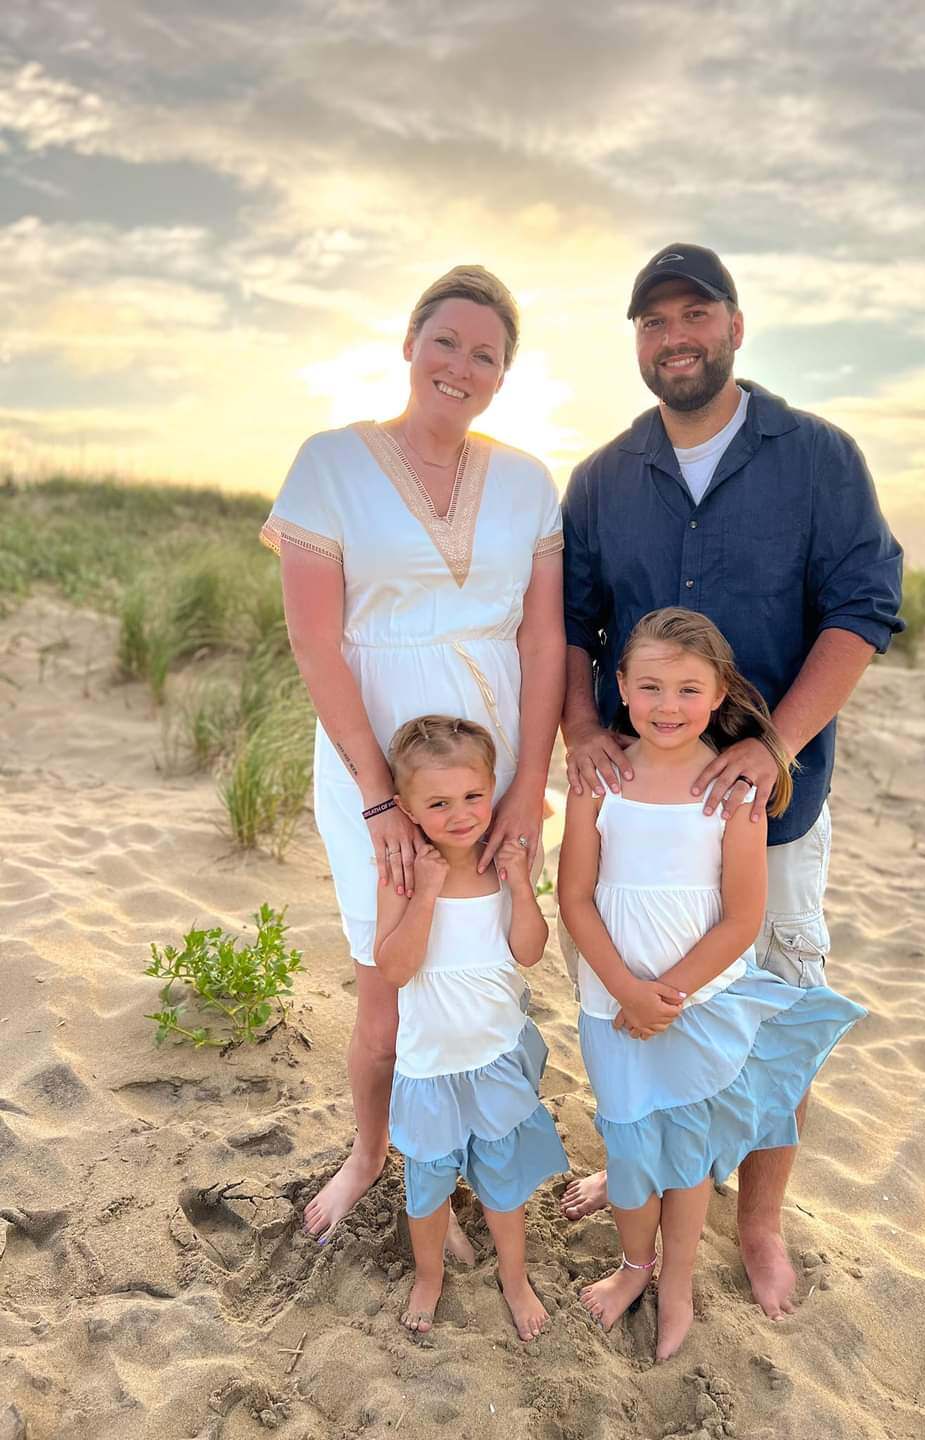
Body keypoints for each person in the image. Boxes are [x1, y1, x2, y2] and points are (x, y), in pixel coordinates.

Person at [559, 243, 903, 1318]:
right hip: (642, 822)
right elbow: (574, 625)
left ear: (736, 326)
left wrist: (777, 743)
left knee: (768, 1009)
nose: (676, 337)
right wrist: (581, 727)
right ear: (638, 344)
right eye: (654, 322)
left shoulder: (818, 457)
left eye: (694, 314)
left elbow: (863, 611)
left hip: (774, 810)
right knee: (643, 1003)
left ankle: (757, 1225)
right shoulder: (606, 477)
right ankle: (640, 1175)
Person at [260, 266, 566, 1252]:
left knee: (483, 976)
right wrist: (379, 801)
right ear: (408, 343)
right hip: (373, 769)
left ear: (504, 374)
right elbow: (315, 641)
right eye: (447, 342)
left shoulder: (527, 482)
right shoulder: (330, 464)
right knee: (387, 985)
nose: (461, 365)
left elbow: (544, 643)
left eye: (486, 353)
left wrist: (529, 787)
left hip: (494, 771)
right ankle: (370, 1152)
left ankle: (479, 1156)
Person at [558, 608, 865, 1360]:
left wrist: (668, 994)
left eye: (688, 689)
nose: (668, 706)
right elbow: (572, 898)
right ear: (620, 687)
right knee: (630, 1145)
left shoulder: (733, 790)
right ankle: (635, 1266)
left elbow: (743, 916)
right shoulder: (602, 780)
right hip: (612, 1003)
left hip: (697, 1004)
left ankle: (681, 1284)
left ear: (720, 691)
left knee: (687, 1155)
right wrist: (627, 991)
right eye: (651, 686)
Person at [377, 715, 567, 1340]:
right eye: (437, 802)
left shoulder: (501, 865)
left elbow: (531, 951)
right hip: (430, 1067)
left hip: (493, 1059)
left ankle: (514, 1278)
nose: (460, 814)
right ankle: (428, 1275)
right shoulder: (404, 873)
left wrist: (518, 881)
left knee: (503, 1181)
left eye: (472, 797)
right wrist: (427, 892)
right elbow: (396, 969)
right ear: (406, 807)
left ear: (492, 790)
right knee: (428, 1184)